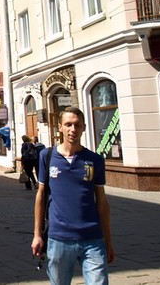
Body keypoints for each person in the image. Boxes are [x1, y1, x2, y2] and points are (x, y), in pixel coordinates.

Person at [31, 107, 115, 284]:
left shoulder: (95, 160)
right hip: (59, 238)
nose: (73, 130)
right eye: (68, 125)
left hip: (92, 238)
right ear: (59, 127)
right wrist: (37, 234)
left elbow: (102, 202)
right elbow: (41, 196)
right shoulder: (47, 156)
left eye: (77, 125)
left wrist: (108, 240)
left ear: (84, 127)